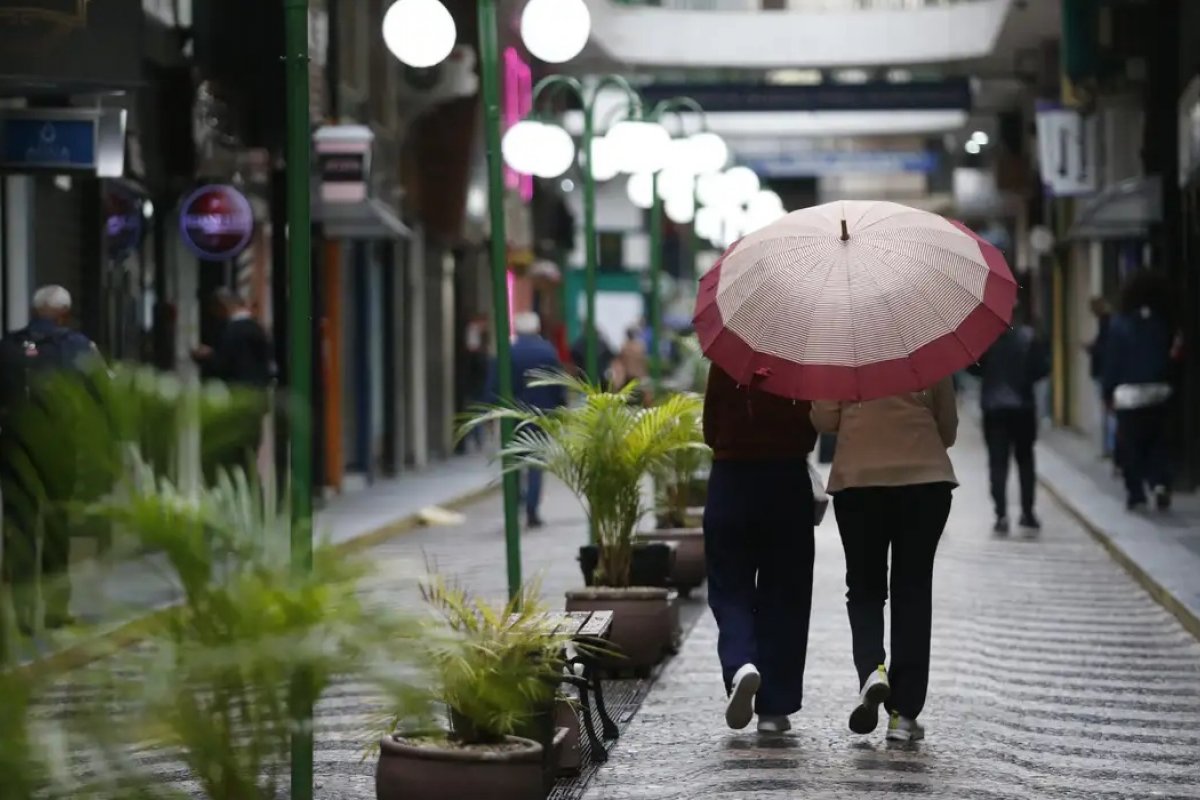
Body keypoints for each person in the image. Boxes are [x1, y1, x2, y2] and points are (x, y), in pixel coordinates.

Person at [811, 376, 958, 743]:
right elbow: (949, 430)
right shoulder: (925, 343)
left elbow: (823, 420)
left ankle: (872, 671)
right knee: (912, 590)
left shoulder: (843, 351)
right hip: (925, 483)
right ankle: (904, 716)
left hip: (859, 483)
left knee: (864, 587)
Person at [702, 364, 817, 734]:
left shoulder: (728, 357)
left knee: (729, 583)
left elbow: (709, 427)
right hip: (787, 481)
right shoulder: (801, 357)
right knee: (786, 592)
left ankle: (740, 665)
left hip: (731, 478)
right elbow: (811, 429)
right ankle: (774, 708)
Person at [0, 286, 101, 631]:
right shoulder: (78, 347)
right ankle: (56, 610)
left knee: (20, 527)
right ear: (64, 314)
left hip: (15, 447)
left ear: (34, 310)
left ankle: (24, 614)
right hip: (59, 448)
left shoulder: (9, 346)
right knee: (57, 525)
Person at [968, 310, 1050, 534]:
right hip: (1023, 407)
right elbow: (1043, 369)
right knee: (1025, 461)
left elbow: (972, 368)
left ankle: (1001, 514)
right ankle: (1027, 512)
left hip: (994, 408)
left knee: (997, 462)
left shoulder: (986, 339)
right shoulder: (1029, 337)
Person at [1103, 272, 1176, 511]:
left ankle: (1136, 494)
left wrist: (1108, 392)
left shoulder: (1119, 325)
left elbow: (1112, 362)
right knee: (1157, 442)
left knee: (1131, 446)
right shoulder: (1161, 323)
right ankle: (1160, 481)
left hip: (1129, 395)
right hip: (1158, 391)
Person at [488, 311, 565, 528]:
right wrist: (560, 408)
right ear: (537, 328)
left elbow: (494, 384)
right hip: (541, 415)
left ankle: (514, 504)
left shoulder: (508, 352)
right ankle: (532, 509)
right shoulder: (548, 352)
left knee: (513, 462)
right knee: (535, 463)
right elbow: (558, 383)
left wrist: (490, 412)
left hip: (512, 415)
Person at [191, 289, 273, 478]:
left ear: (223, 307)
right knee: (251, 447)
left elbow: (223, 365)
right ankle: (253, 486)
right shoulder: (258, 329)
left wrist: (206, 356)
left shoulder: (231, 332)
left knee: (236, 452)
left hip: (237, 397)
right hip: (257, 398)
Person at [1086, 297, 1116, 459]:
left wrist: (1092, 348)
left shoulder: (1107, 325)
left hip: (1104, 373)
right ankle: (1109, 446)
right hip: (1105, 373)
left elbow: (1103, 349)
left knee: (1108, 412)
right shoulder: (1108, 324)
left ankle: (1110, 447)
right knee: (1108, 412)